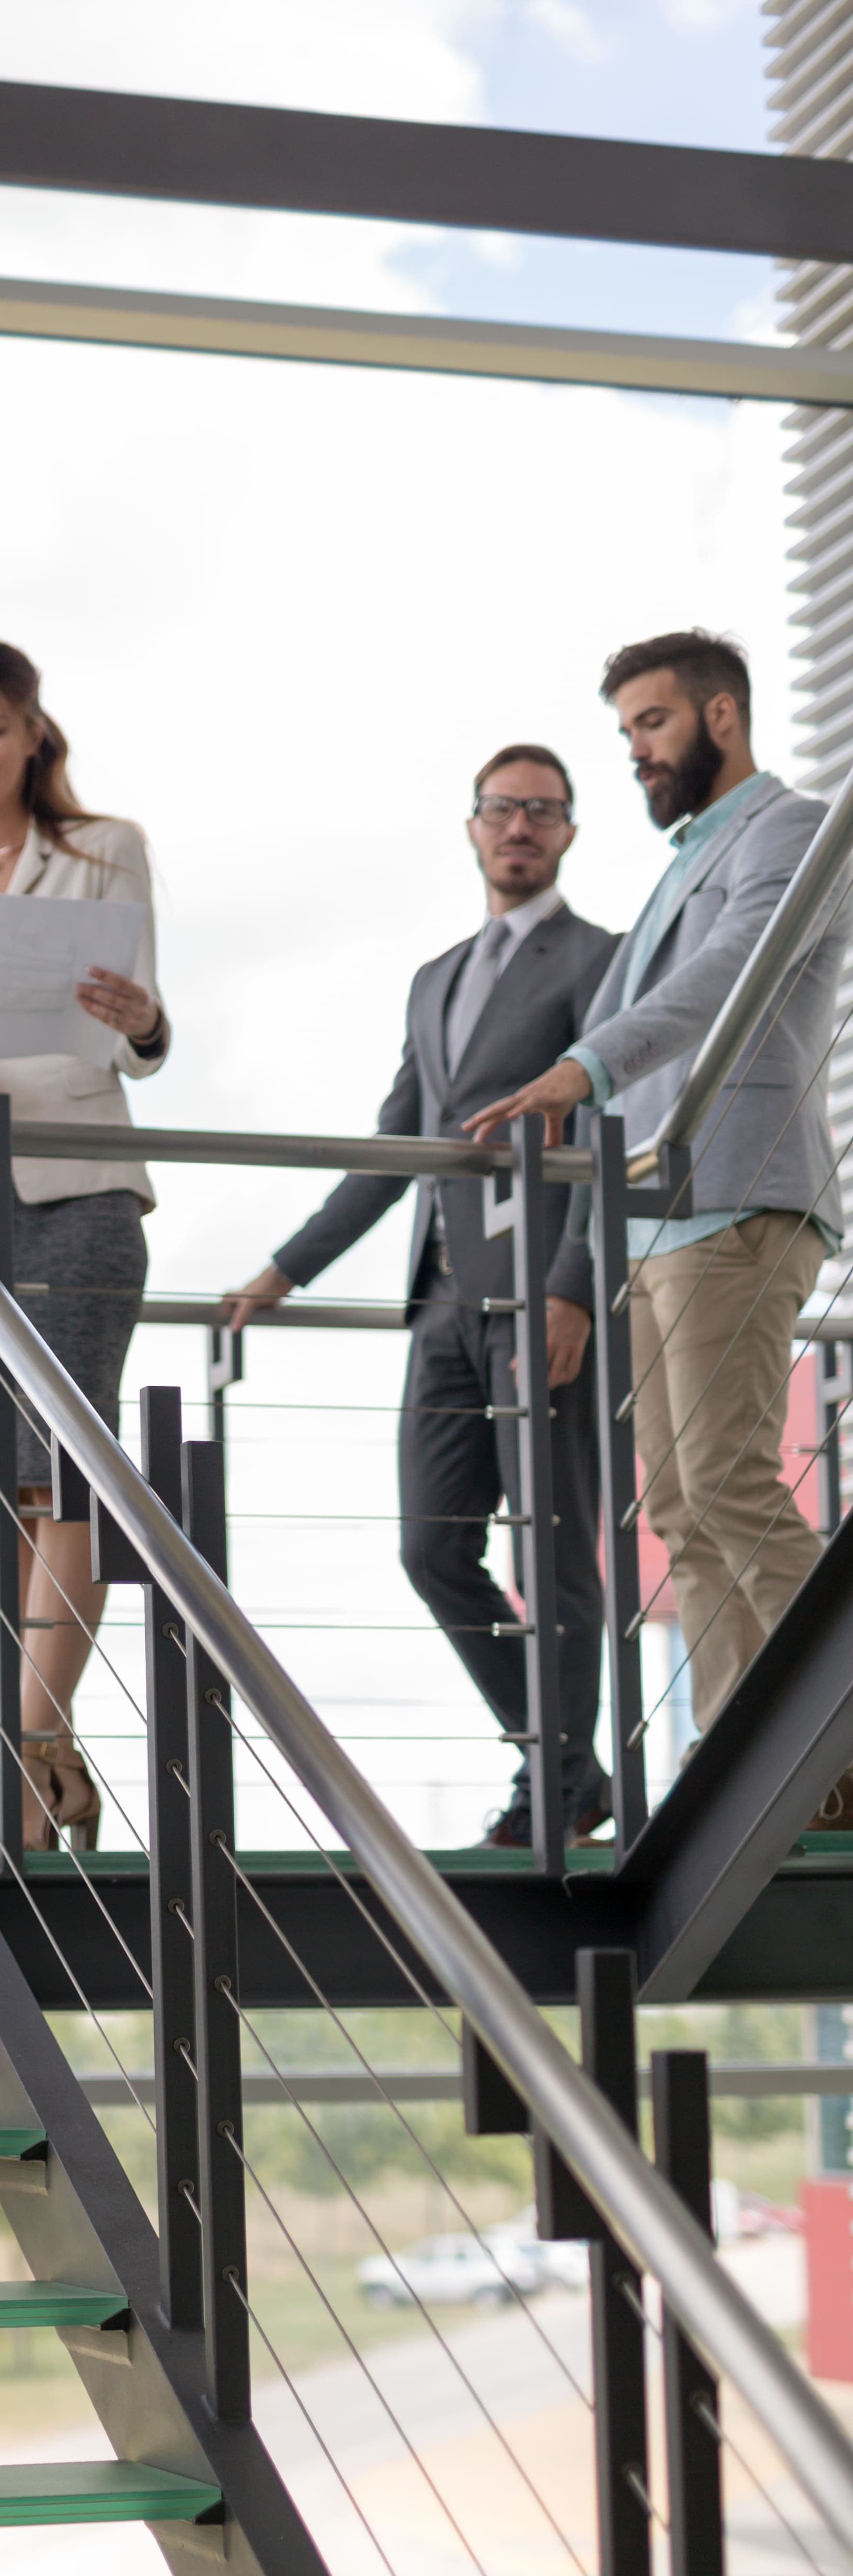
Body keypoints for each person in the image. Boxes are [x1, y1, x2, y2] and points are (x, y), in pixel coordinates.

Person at [220, 747, 618, 1848]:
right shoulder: (435, 977)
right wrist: (286, 1269)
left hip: (541, 1299)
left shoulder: (603, 961)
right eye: (502, 809)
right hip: (441, 1305)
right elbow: (399, 1143)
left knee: (552, 1549)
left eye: (542, 811)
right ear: (474, 826)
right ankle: (568, 1770)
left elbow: (608, 1141)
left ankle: (557, 1790)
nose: (520, 828)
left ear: (570, 833)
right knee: (431, 1549)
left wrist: (574, 1289)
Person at [466, 632, 847, 1744]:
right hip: (658, 1217)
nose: (637, 749)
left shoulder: (793, 831)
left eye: (654, 722)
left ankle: (832, 1740)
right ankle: (745, 1775)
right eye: (626, 729)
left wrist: (582, 1066)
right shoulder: (683, 858)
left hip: (740, 1194)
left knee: (727, 1483)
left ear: (722, 716)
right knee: (680, 1508)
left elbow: (735, 977)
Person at [0, 638, 168, 1850]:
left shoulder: (103, 851)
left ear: (34, 734)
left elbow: (119, 1032)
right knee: (6, 1496)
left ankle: (21, 1762)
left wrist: (140, 1025)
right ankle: (49, 1757)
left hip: (77, 1189)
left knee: (70, 1473)